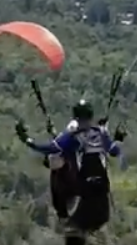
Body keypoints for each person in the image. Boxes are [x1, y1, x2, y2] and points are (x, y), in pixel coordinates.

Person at [16, 100, 125, 233]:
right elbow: (115, 151)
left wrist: (27, 140)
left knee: (58, 168)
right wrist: (118, 139)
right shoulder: (101, 133)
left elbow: (50, 149)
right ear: (91, 117)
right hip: (102, 191)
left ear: (76, 118)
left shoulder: (73, 137)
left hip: (85, 190)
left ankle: (63, 214)